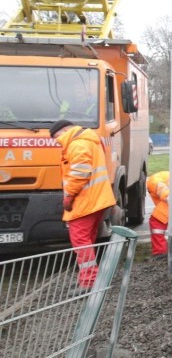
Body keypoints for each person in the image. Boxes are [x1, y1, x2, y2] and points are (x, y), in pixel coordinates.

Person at [50, 118, 116, 290]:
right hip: (96, 200)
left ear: (65, 132)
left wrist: (69, 197)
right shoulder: (89, 140)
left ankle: (89, 281)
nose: (58, 143)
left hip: (85, 202)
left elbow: (80, 173)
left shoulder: (77, 145)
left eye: (57, 138)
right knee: (88, 239)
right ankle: (89, 278)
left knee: (80, 241)